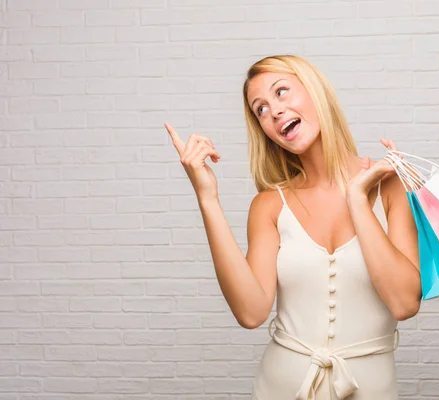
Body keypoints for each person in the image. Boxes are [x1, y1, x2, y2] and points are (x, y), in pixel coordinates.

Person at [165, 55, 421, 400]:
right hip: (280, 388)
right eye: (261, 109)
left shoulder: (391, 184)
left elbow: (404, 303)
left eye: (282, 92)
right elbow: (251, 312)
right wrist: (207, 199)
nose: (274, 111)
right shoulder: (269, 205)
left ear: (315, 92)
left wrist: (358, 199)